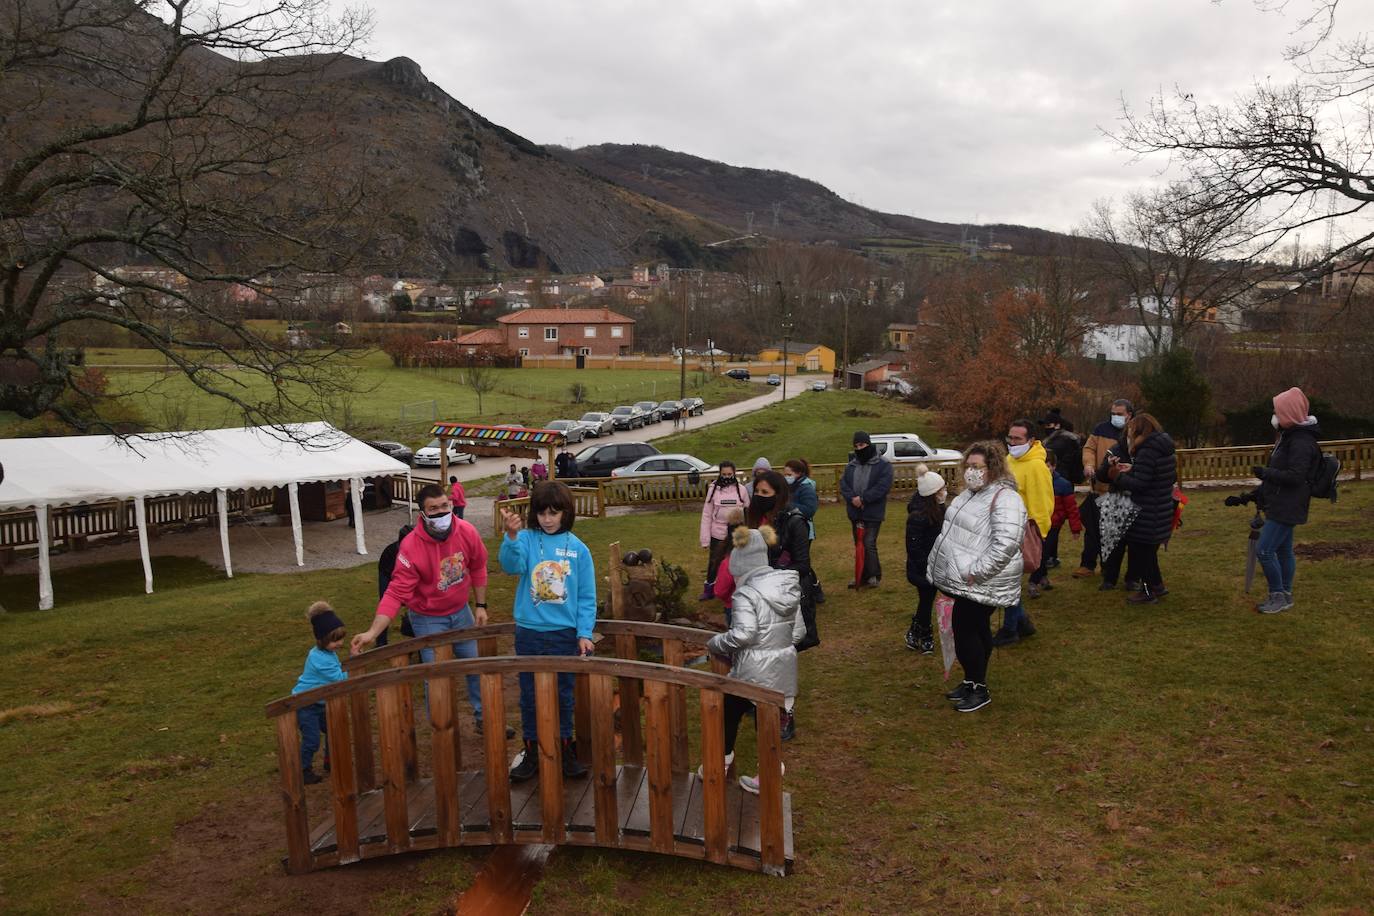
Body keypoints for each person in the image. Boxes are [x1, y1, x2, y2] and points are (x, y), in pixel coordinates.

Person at [351, 484, 492, 732]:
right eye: (433, 509)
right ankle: (441, 726)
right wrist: (372, 633)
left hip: (461, 611)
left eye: (445, 506)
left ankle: (483, 718)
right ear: (423, 514)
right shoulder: (410, 547)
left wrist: (480, 605)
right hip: (428, 617)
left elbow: (479, 565)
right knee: (435, 674)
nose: (441, 513)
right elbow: (395, 593)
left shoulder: (467, 531)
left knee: (475, 664)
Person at [499, 481, 596, 782]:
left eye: (554, 513)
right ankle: (531, 751)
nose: (548, 519)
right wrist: (512, 537)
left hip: (563, 634)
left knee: (563, 694)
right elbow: (510, 566)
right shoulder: (526, 540)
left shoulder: (579, 549)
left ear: (566, 513)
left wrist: (584, 632)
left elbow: (586, 597)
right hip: (529, 632)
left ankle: (564, 749)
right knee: (529, 694)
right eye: (542, 513)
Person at [703, 525, 805, 794]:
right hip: (783, 667)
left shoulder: (745, 593)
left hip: (751, 670)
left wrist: (715, 643)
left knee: (729, 709)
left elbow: (744, 634)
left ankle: (721, 762)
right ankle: (769, 772)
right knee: (768, 720)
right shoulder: (788, 586)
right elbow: (799, 631)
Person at [926, 442, 1027, 713]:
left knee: (965, 629)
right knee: (977, 628)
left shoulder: (1006, 498)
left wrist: (976, 572)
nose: (971, 471)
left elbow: (1006, 543)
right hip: (966, 578)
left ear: (991, 468)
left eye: (977, 467)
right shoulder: (970, 494)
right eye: (968, 466)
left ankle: (979, 688)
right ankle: (972, 681)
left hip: (982, 579)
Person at [1234, 386, 1323, 614]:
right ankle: (1286, 594)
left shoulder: (1301, 441)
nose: (1275, 416)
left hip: (1288, 504)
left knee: (1264, 550)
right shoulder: (1289, 437)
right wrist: (1253, 495)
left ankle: (1277, 596)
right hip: (1281, 502)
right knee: (1283, 551)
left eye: (1278, 411)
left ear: (1290, 414)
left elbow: (1295, 476)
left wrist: (1265, 473)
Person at [746, 468, 814, 738]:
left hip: (782, 598)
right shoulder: (752, 520)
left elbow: (803, 565)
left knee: (782, 657)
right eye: (757, 492)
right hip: (755, 599)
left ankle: (786, 713)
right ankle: (759, 699)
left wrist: (770, 575)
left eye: (766, 493)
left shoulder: (794, 521)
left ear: (779, 495)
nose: (760, 496)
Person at [1107, 412, 1177, 604]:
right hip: (1160, 507)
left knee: (1141, 552)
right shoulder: (1163, 447)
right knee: (1148, 552)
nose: (1128, 435)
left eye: (1130, 430)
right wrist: (1132, 469)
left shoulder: (1147, 450)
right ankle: (1157, 586)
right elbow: (1160, 475)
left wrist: (1117, 476)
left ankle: (1148, 591)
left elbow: (1140, 484)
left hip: (1147, 510)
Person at [993, 419, 1052, 646]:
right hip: (1004, 528)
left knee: (1008, 582)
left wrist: (1037, 534)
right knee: (1008, 581)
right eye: (1010, 437)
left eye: (1018, 438)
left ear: (1031, 441)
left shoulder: (1036, 467)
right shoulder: (1009, 461)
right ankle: (1022, 623)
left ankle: (1010, 629)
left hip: (1022, 532)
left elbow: (1043, 503)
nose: (1012, 442)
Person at [1075, 399, 1134, 579]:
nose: (1115, 417)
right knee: (1092, 530)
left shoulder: (1135, 431)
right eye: (1113, 413)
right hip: (1098, 488)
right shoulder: (1101, 429)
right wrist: (1089, 465)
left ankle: (1110, 568)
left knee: (1112, 533)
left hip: (1122, 491)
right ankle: (1087, 564)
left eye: (1119, 414)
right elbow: (1089, 449)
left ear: (1129, 415)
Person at [293, 601, 348, 784]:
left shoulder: (326, 653)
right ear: (322, 639)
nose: (340, 643)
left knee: (333, 731)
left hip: (321, 702)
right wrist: (355, 667)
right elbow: (339, 679)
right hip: (306, 704)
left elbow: (338, 671)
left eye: (341, 638)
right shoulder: (319, 658)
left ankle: (330, 761)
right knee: (312, 740)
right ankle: (303, 769)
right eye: (335, 640)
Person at [840, 431, 894, 588]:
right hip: (855, 512)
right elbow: (844, 485)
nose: (859, 448)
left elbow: (883, 486)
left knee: (869, 542)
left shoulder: (883, 465)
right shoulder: (851, 466)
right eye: (856, 446)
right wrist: (853, 499)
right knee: (859, 543)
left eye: (862, 445)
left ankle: (874, 575)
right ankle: (861, 575)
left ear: (869, 444)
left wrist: (864, 499)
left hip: (873, 512)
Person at [904, 466, 947, 655]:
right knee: (926, 599)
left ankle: (916, 631)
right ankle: (925, 633)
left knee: (926, 600)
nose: (944, 492)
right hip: (923, 567)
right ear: (932, 494)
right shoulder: (918, 517)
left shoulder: (940, 510)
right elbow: (914, 548)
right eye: (941, 489)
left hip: (936, 564)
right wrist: (927, 567)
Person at [699, 460, 750, 600]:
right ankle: (709, 588)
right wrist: (705, 539)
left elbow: (748, 512)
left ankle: (735, 589)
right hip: (718, 533)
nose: (727, 477)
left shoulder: (742, 490)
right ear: (720, 474)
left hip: (736, 533)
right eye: (724, 474)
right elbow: (707, 514)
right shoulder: (713, 490)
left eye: (730, 474)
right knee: (715, 561)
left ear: (734, 473)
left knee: (736, 561)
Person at [1039, 410, 1082, 567]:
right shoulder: (1063, 439)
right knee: (1052, 527)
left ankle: (1048, 556)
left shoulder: (1060, 442)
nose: (1046, 427)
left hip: (1059, 483)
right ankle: (1050, 556)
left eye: (1048, 424)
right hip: (1060, 482)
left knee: (1053, 525)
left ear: (1057, 425)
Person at [784, 457, 824, 604]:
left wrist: (788, 507)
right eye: (785, 474)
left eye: (789, 474)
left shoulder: (806, 488)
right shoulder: (789, 487)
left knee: (802, 563)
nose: (786, 477)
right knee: (796, 561)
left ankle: (815, 589)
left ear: (798, 473)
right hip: (789, 529)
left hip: (803, 531)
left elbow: (809, 509)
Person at [375, 524, 419, 648]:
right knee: (384, 605)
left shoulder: (419, 551)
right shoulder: (391, 553)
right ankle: (381, 641)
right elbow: (395, 586)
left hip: (409, 577)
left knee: (416, 606)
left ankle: (416, 638)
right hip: (387, 575)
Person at [1042, 452, 1083, 577]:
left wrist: (1075, 529)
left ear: (1054, 466)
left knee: (1050, 541)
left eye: (1048, 466)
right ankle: (1049, 558)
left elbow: (1071, 508)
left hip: (1055, 522)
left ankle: (1049, 559)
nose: (1045, 469)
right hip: (1040, 521)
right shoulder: (1036, 483)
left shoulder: (1063, 484)